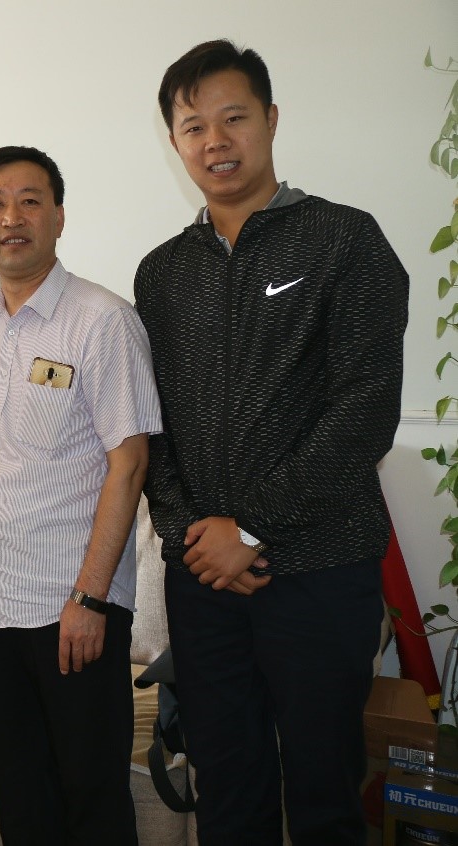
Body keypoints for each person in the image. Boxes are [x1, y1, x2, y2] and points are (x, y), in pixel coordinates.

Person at [135, 40, 408, 844]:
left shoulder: (344, 240)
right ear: (173, 141)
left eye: (233, 118)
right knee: (226, 791)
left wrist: (250, 527)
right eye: (193, 127)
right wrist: (193, 535)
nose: (214, 141)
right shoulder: (161, 273)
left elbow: (364, 409)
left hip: (319, 569)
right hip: (203, 581)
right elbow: (153, 425)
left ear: (271, 120)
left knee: (324, 793)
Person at [0, 145, 162, 845]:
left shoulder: (103, 321)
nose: (11, 217)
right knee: (20, 800)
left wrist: (91, 598)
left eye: (29, 201)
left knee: (91, 801)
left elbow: (129, 464)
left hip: (70, 610)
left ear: (58, 216)